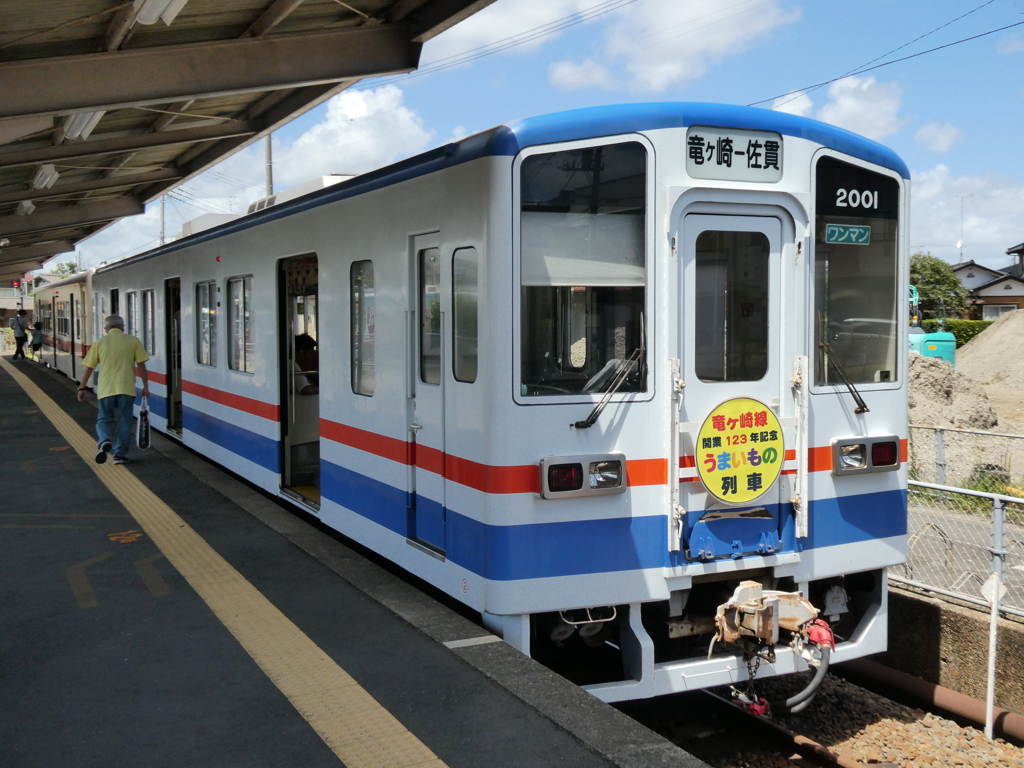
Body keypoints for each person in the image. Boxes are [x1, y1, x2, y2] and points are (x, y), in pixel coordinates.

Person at [77, 314, 150, 465]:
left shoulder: (99, 343)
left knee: (104, 419)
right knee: (125, 421)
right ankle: (119, 454)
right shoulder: (133, 341)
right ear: (122, 327)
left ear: (106, 329)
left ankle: (104, 441)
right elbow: (141, 365)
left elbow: (88, 367)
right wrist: (145, 386)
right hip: (126, 388)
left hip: (106, 388)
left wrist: (82, 387)